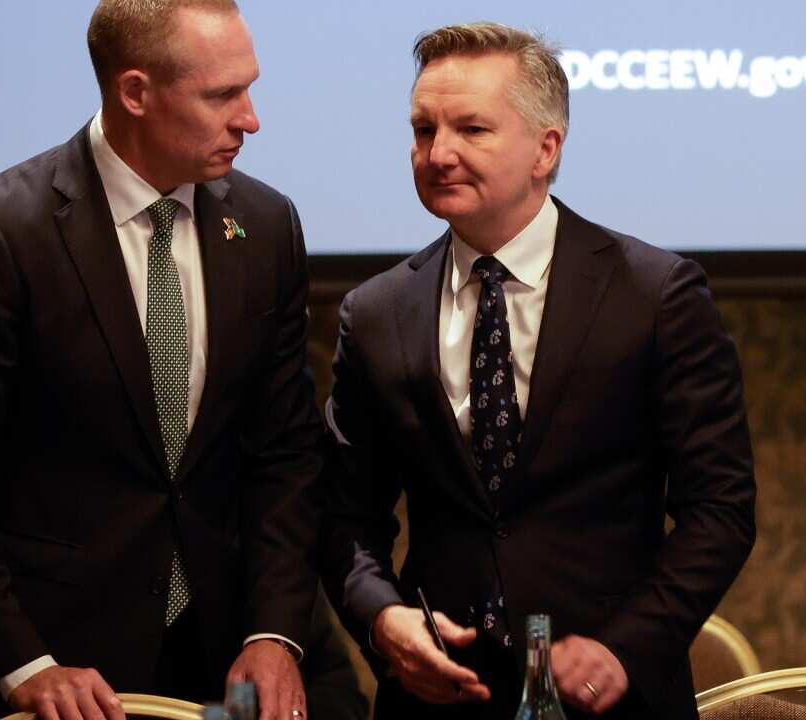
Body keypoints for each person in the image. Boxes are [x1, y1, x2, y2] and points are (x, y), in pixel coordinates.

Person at [0, 2, 323, 719]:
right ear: (134, 92)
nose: (250, 119)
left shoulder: (268, 225)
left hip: (217, 663)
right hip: (52, 673)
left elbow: (286, 452)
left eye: (249, 88)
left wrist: (274, 632)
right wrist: (24, 663)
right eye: (222, 95)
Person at [321, 22, 756, 719]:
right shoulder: (376, 312)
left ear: (545, 149)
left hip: (611, 699)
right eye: (423, 128)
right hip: (437, 696)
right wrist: (382, 619)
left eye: (471, 129)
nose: (439, 153)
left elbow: (721, 511)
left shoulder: (655, 295)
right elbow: (346, 517)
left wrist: (624, 647)